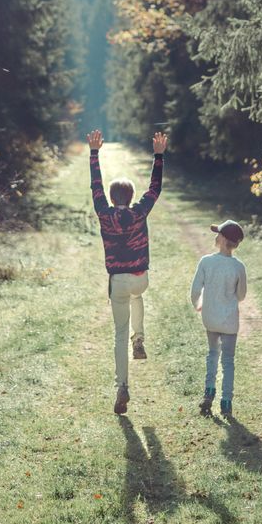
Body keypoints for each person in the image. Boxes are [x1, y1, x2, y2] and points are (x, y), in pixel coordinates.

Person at [87, 128, 168, 414]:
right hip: (139, 278)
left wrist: (94, 153)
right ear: (132, 196)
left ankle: (122, 386)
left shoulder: (103, 212)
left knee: (118, 333)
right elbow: (155, 189)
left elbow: (95, 185)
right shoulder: (139, 212)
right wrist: (158, 156)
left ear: (110, 198)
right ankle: (140, 338)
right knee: (138, 296)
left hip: (117, 281)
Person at [190, 220, 248, 418]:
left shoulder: (206, 262)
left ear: (223, 239)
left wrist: (198, 304)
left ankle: (209, 393)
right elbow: (241, 296)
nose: (215, 236)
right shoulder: (238, 267)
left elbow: (195, 289)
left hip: (211, 318)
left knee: (212, 354)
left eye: (218, 234)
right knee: (228, 361)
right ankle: (226, 401)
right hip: (229, 321)